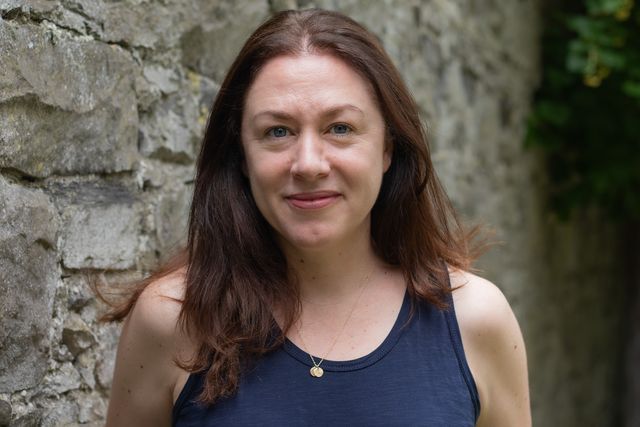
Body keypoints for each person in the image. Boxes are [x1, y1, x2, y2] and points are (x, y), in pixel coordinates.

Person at [104, 8, 530, 427]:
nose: (308, 164)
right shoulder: (172, 320)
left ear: (387, 147)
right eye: (278, 131)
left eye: (339, 128)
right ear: (242, 157)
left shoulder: (475, 320)